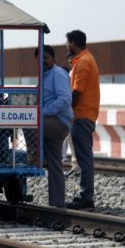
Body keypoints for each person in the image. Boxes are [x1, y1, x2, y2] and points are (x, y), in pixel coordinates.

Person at [33, 45, 73, 208]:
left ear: (53, 59)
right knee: (55, 163)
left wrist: (44, 112)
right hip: (50, 122)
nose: (43, 61)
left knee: (29, 122)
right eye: (40, 59)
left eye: (46, 58)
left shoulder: (57, 74)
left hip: (58, 122)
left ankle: (35, 156)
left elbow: (65, 99)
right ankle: (57, 203)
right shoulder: (43, 76)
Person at [66, 29, 100, 210]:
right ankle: (85, 195)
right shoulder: (83, 60)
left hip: (81, 115)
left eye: (68, 43)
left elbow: (77, 92)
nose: (66, 46)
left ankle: (87, 197)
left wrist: (65, 109)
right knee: (83, 158)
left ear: (73, 43)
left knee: (84, 159)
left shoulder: (84, 62)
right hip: (82, 115)